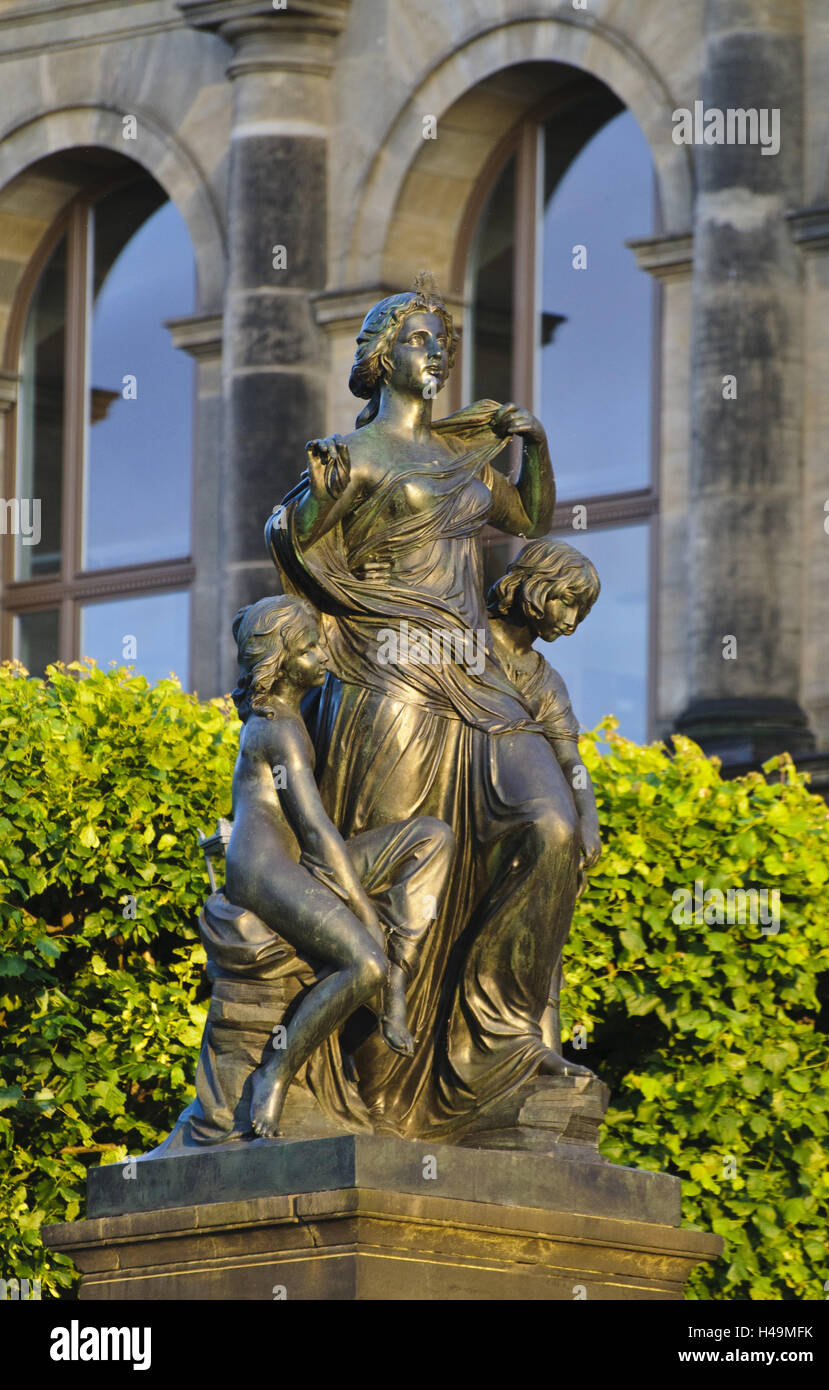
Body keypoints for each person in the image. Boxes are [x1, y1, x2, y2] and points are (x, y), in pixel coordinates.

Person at [266, 283, 593, 1140]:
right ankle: (377, 1097)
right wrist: (315, 495)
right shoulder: (355, 453)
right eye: (418, 339)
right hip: (394, 679)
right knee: (404, 899)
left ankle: (504, 1041)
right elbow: (292, 541)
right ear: (380, 357)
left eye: (442, 339)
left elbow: (524, 517)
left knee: (551, 831)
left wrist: (536, 446)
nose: (435, 352)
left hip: (476, 678)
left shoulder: (463, 459)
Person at [224, 594, 455, 1138]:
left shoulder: (290, 716)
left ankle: (398, 969)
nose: (322, 655)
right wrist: (366, 918)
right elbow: (317, 832)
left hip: (292, 859)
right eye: (309, 649)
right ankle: (274, 1074)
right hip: (263, 869)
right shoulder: (276, 728)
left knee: (432, 836)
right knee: (366, 965)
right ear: (279, 662)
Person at [486, 538, 603, 894]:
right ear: (534, 586)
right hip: (455, 778)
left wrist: (589, 819)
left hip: (510, 802)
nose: (571, 622)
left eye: (579, 611)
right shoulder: (464, 636)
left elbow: (570, 761)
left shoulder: (548, 682)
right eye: (566, 603)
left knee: (553, 829)